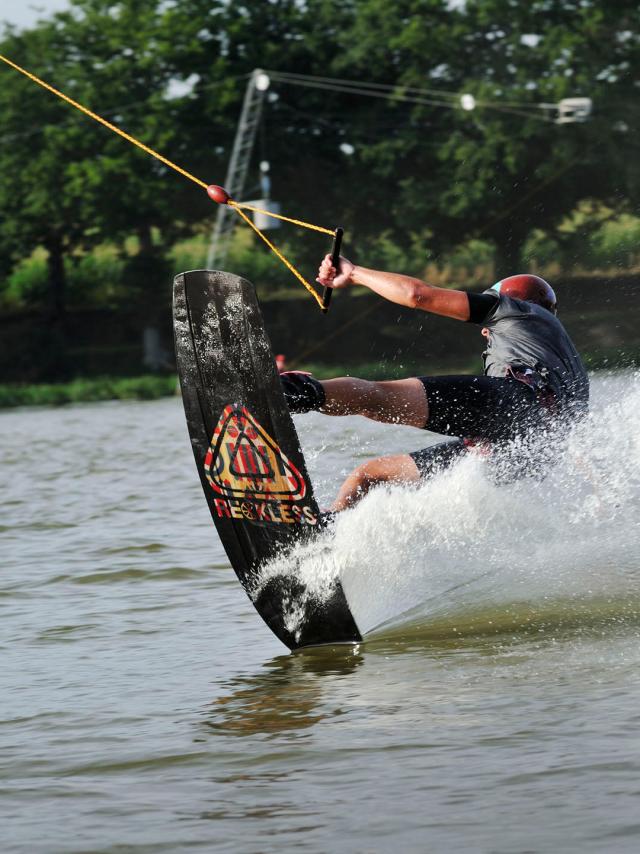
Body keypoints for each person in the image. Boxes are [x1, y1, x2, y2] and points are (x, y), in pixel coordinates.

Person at [281, 255, 589, 512]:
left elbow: (418, 295)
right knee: (370, 475)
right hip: (519, 455)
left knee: (380, 398)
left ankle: (294, 393)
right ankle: (331, 527)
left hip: (513, 404)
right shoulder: (569, 364)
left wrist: (354, 273)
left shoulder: (516, 310)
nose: (484, 332)